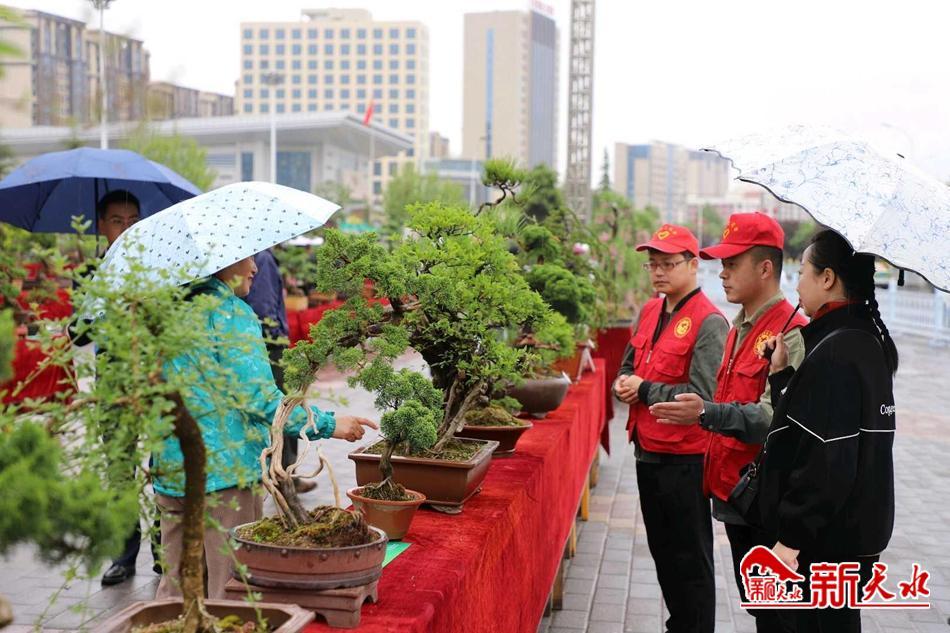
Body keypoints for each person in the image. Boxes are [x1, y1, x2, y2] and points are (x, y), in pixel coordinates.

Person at [155, 256, 378, 600]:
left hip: (172, 470)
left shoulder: (169, 312)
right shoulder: (231, 314)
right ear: (222, 260)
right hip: (224, 475)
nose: (255, 269)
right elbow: (260, 399)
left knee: (175, 589)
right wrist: (330, 424)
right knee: (228, 588)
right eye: (248, 258)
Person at [649, 212, 807, 633]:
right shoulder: (739, 328)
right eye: (722, 264)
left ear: (766, 268)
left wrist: (705, 412)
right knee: (762, 611)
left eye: (732, 264)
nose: (722, 274)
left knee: (779, 617)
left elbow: (775, 418)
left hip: (766, 501)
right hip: (736, 495)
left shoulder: (790, 333)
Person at [755, 230, 897, 632]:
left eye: (802, 272)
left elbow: (827, 459)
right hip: (854, 533)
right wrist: (782, 376)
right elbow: (817, 427)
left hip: (825, 542)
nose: (797, 283)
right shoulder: (864, 341)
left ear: (828, 278)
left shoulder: (835, 352)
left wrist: (791, 538)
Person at [613, 224, 728, 633]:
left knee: (690, 559)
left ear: (693, 265)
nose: (658, 271)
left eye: (668, 263)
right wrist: (622, 383)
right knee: (663, 552)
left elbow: (703, 395)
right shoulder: (650, 310)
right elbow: (629, 365)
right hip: (647, 449)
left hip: (685, 459)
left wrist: (643, 389)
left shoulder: (709, 321)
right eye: (652, 264)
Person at [87, 190, 163, 587]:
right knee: (119, 466)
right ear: (101, 225)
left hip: (156, 377)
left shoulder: (159, 267)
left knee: (164, 460)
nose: (127, 228)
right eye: (117, 220)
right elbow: (79, 333)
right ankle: (123, 553)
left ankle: (165, 548)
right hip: (114, 380)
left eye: (134, 221)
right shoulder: (92, 273)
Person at [242, 249, 315, 493]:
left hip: (268, 345)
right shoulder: (261, 257)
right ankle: (285, 476)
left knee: (282, 407)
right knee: (284, 407)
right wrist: (276, 337)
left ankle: (285, 474)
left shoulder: (261, 256)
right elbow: (264, 309)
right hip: (271, 347)